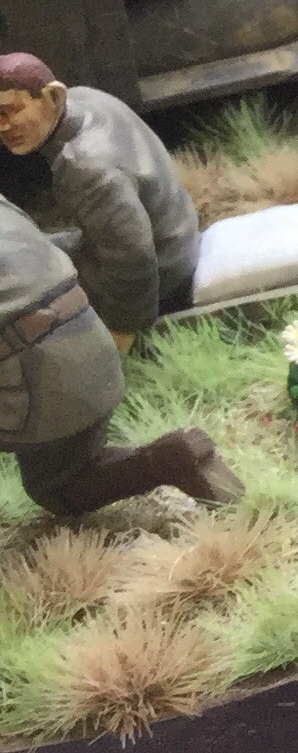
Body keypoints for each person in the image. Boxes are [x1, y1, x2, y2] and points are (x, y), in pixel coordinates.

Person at [0, 196, 242, 517]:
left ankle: (168, 460)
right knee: (67, 468)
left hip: (31, 367)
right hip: (84, 331)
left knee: (59, 487)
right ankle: (171, 458)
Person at [0, 53, 200, 350]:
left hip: (162, 276)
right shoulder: (86, 97)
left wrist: (123, 329)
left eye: (10, 111)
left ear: (53, 97)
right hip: (178, 236)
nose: (3, 126)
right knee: (32, 251)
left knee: (18, 284)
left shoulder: (84, 168)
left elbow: (133, 259)